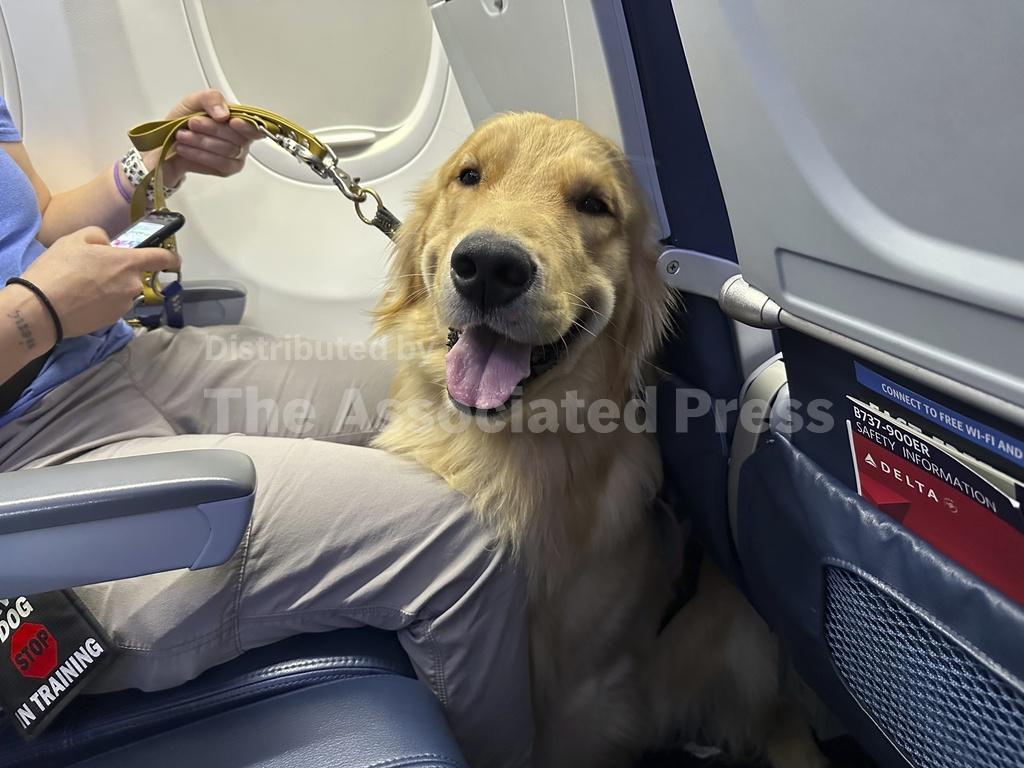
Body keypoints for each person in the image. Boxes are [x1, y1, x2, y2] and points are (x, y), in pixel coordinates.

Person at [0, 89, 531, 768]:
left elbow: (36, 225)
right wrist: (36, 313)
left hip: (118, 360)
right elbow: (35, 292)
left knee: (452, 402)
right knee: (461, 543)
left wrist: (151, 166)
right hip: (31, 460)